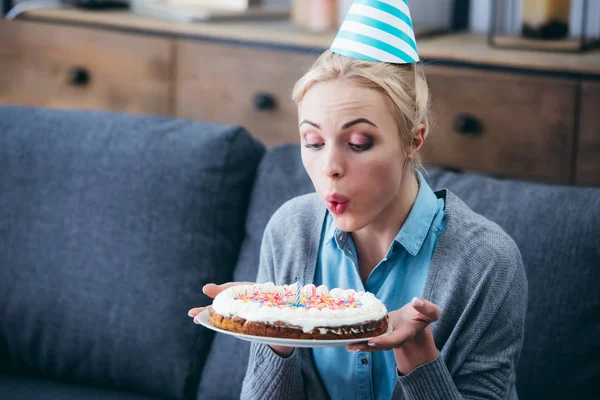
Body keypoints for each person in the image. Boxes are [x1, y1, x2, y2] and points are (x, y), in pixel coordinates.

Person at [188, 1, 527, 399]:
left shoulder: (487, 263)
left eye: (358, 143)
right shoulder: (289, 232)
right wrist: (276, 332)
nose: (329, 166)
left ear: (413, 140)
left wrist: (417, 352)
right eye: (313, 142)